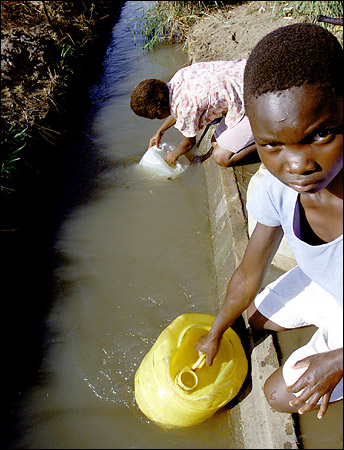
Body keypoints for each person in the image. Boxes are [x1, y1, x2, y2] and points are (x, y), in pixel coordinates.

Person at [196, 22, 343, 420]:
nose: (297, 165)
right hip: (329, 284)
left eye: (321, 134)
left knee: (279, 395)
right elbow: (248, 273)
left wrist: (337, 360)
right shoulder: (275, 189)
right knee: (252, 319)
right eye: (272, 145)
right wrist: (215, 332)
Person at [130, 59, 257, 167]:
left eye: (156, 118)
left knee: (221, 157)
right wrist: (160, 131)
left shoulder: (184, 110)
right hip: (249, 72)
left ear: (159, 113)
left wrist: (173, 154)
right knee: (215, 142)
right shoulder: (179, 77)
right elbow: (179, 109)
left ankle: (272, 146)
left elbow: (188, 144)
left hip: (256, 99)